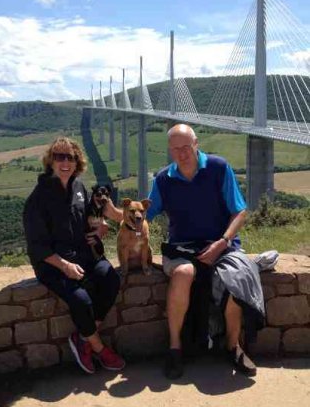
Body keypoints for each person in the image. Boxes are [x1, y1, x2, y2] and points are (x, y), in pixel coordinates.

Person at [105, 124, 262, 379]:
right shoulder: (164, 179)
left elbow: (240, 211)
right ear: (170, 150)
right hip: (181, 247)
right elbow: (146, 215)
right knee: (183, 273)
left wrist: (222, 242)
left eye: (186, 147)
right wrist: (112, 213)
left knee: (237, 279)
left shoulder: (218, 168)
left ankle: (233, 346)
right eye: (175, 148)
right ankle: (175, 349)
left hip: (221, 243)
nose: (181, 153)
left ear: (196, 143)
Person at [23, 136, 125, 375]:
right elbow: (37, 246)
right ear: (51, 161)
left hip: (82, 255)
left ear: (77, 161)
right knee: (82, 300)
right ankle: (98, 347)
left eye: (70, 157)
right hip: (53, 263)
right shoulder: (38, 198)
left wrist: (100, 229)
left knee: (110, 279)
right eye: (59, 157)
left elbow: (90, 219)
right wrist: (65, 266)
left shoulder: (79, 188)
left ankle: (83, 337)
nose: (65, 162)